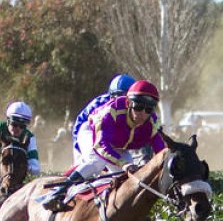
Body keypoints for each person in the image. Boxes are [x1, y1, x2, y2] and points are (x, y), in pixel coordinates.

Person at [43, 79, 164, 211]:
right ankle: (58, 192)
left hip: (117, 144)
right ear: (128, 102)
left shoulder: (152, 121)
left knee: (130, 181)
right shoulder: (110, 111)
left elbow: (161, 150)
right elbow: (101, 146)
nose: (143, 114)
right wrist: (124, 163)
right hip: (92, 134)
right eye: (138, 107)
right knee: (97, 162)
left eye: (148, 109)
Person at [72, 73, 137, 165]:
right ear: (112, 96)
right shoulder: (99, 105)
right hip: (88, 134)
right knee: (97, 161)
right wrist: (80, 151)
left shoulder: (137, 107)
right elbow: (79, 128)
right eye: (121, 96)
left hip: (109, 139)